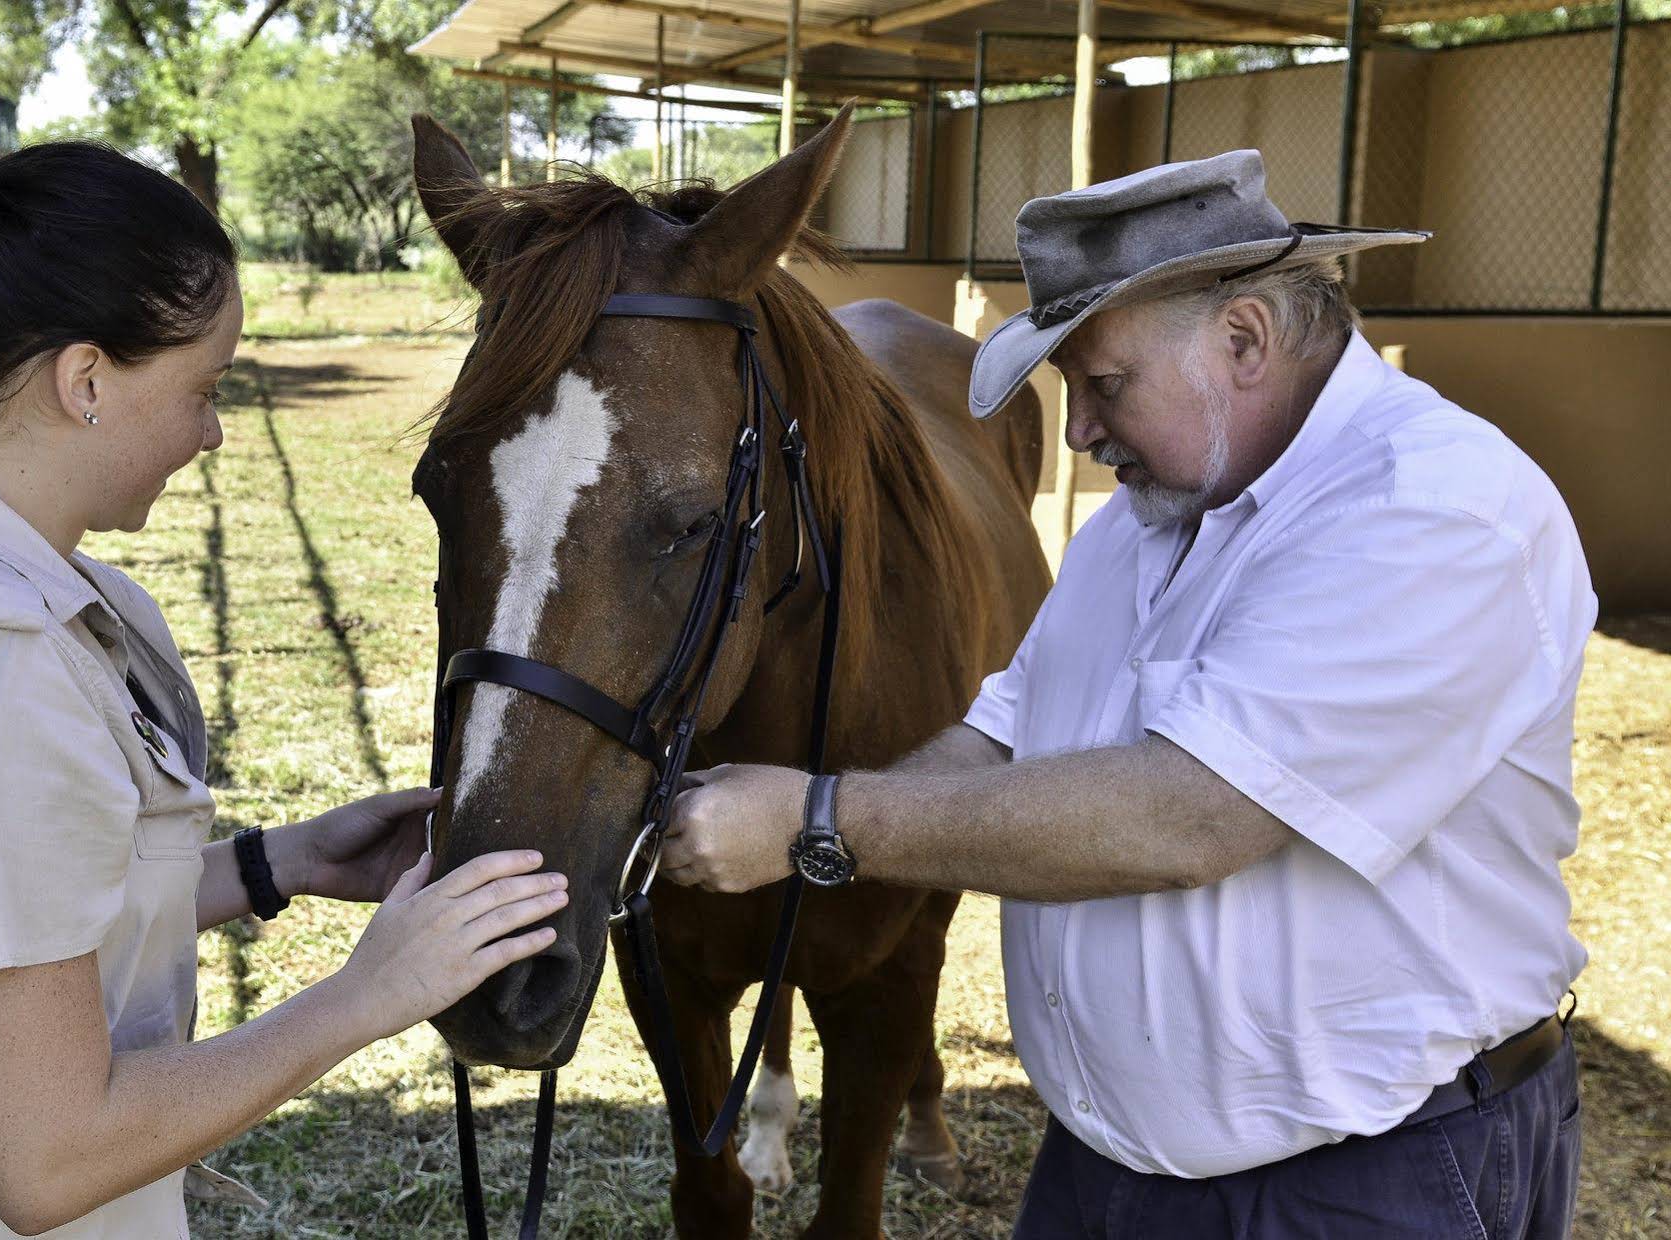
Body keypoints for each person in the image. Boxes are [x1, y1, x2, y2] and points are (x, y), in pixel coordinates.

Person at [661, 150, 1595, 1238]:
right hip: (1107, 1166)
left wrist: (817, 820)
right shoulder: (1139, 529)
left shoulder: (1434, 513)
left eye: (1102, 386)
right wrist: (797, 831)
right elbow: (1001, 733)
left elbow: (1192, 814)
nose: (1076, 437)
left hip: (1363, 1178)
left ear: (1241, 339)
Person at [0, 131, 569, 1238]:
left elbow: (13, 908)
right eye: (203, 386)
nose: (215, 432)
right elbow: (49, 1158)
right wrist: (368, 995)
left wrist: (280, 863)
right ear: (85, 380)